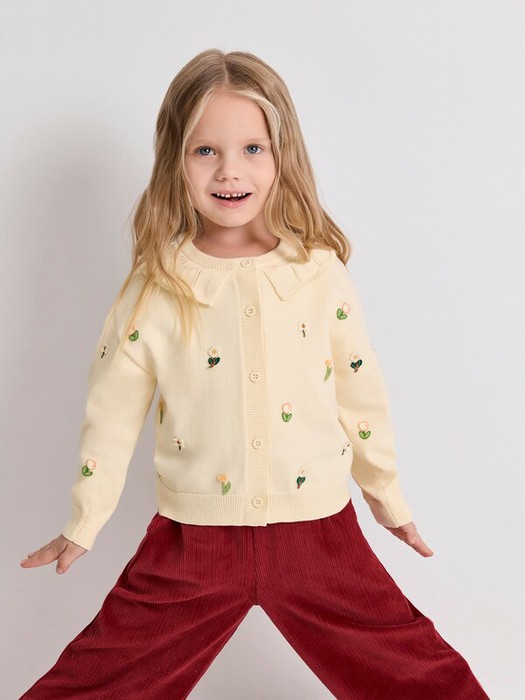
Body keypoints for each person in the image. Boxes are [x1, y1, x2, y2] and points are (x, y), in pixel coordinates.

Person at [19, 48, 490, 699]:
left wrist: (386, 497)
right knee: (98, 678)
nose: (229, 170)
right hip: (192, 543)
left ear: (281, 155)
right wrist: (85, 518)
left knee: (418, 671)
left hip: (318, 534)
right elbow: (112, 408)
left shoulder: (317, 272)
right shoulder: (158, 283)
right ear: (175, 160)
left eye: (251, 148)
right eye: (205, 151)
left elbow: (360, 391)